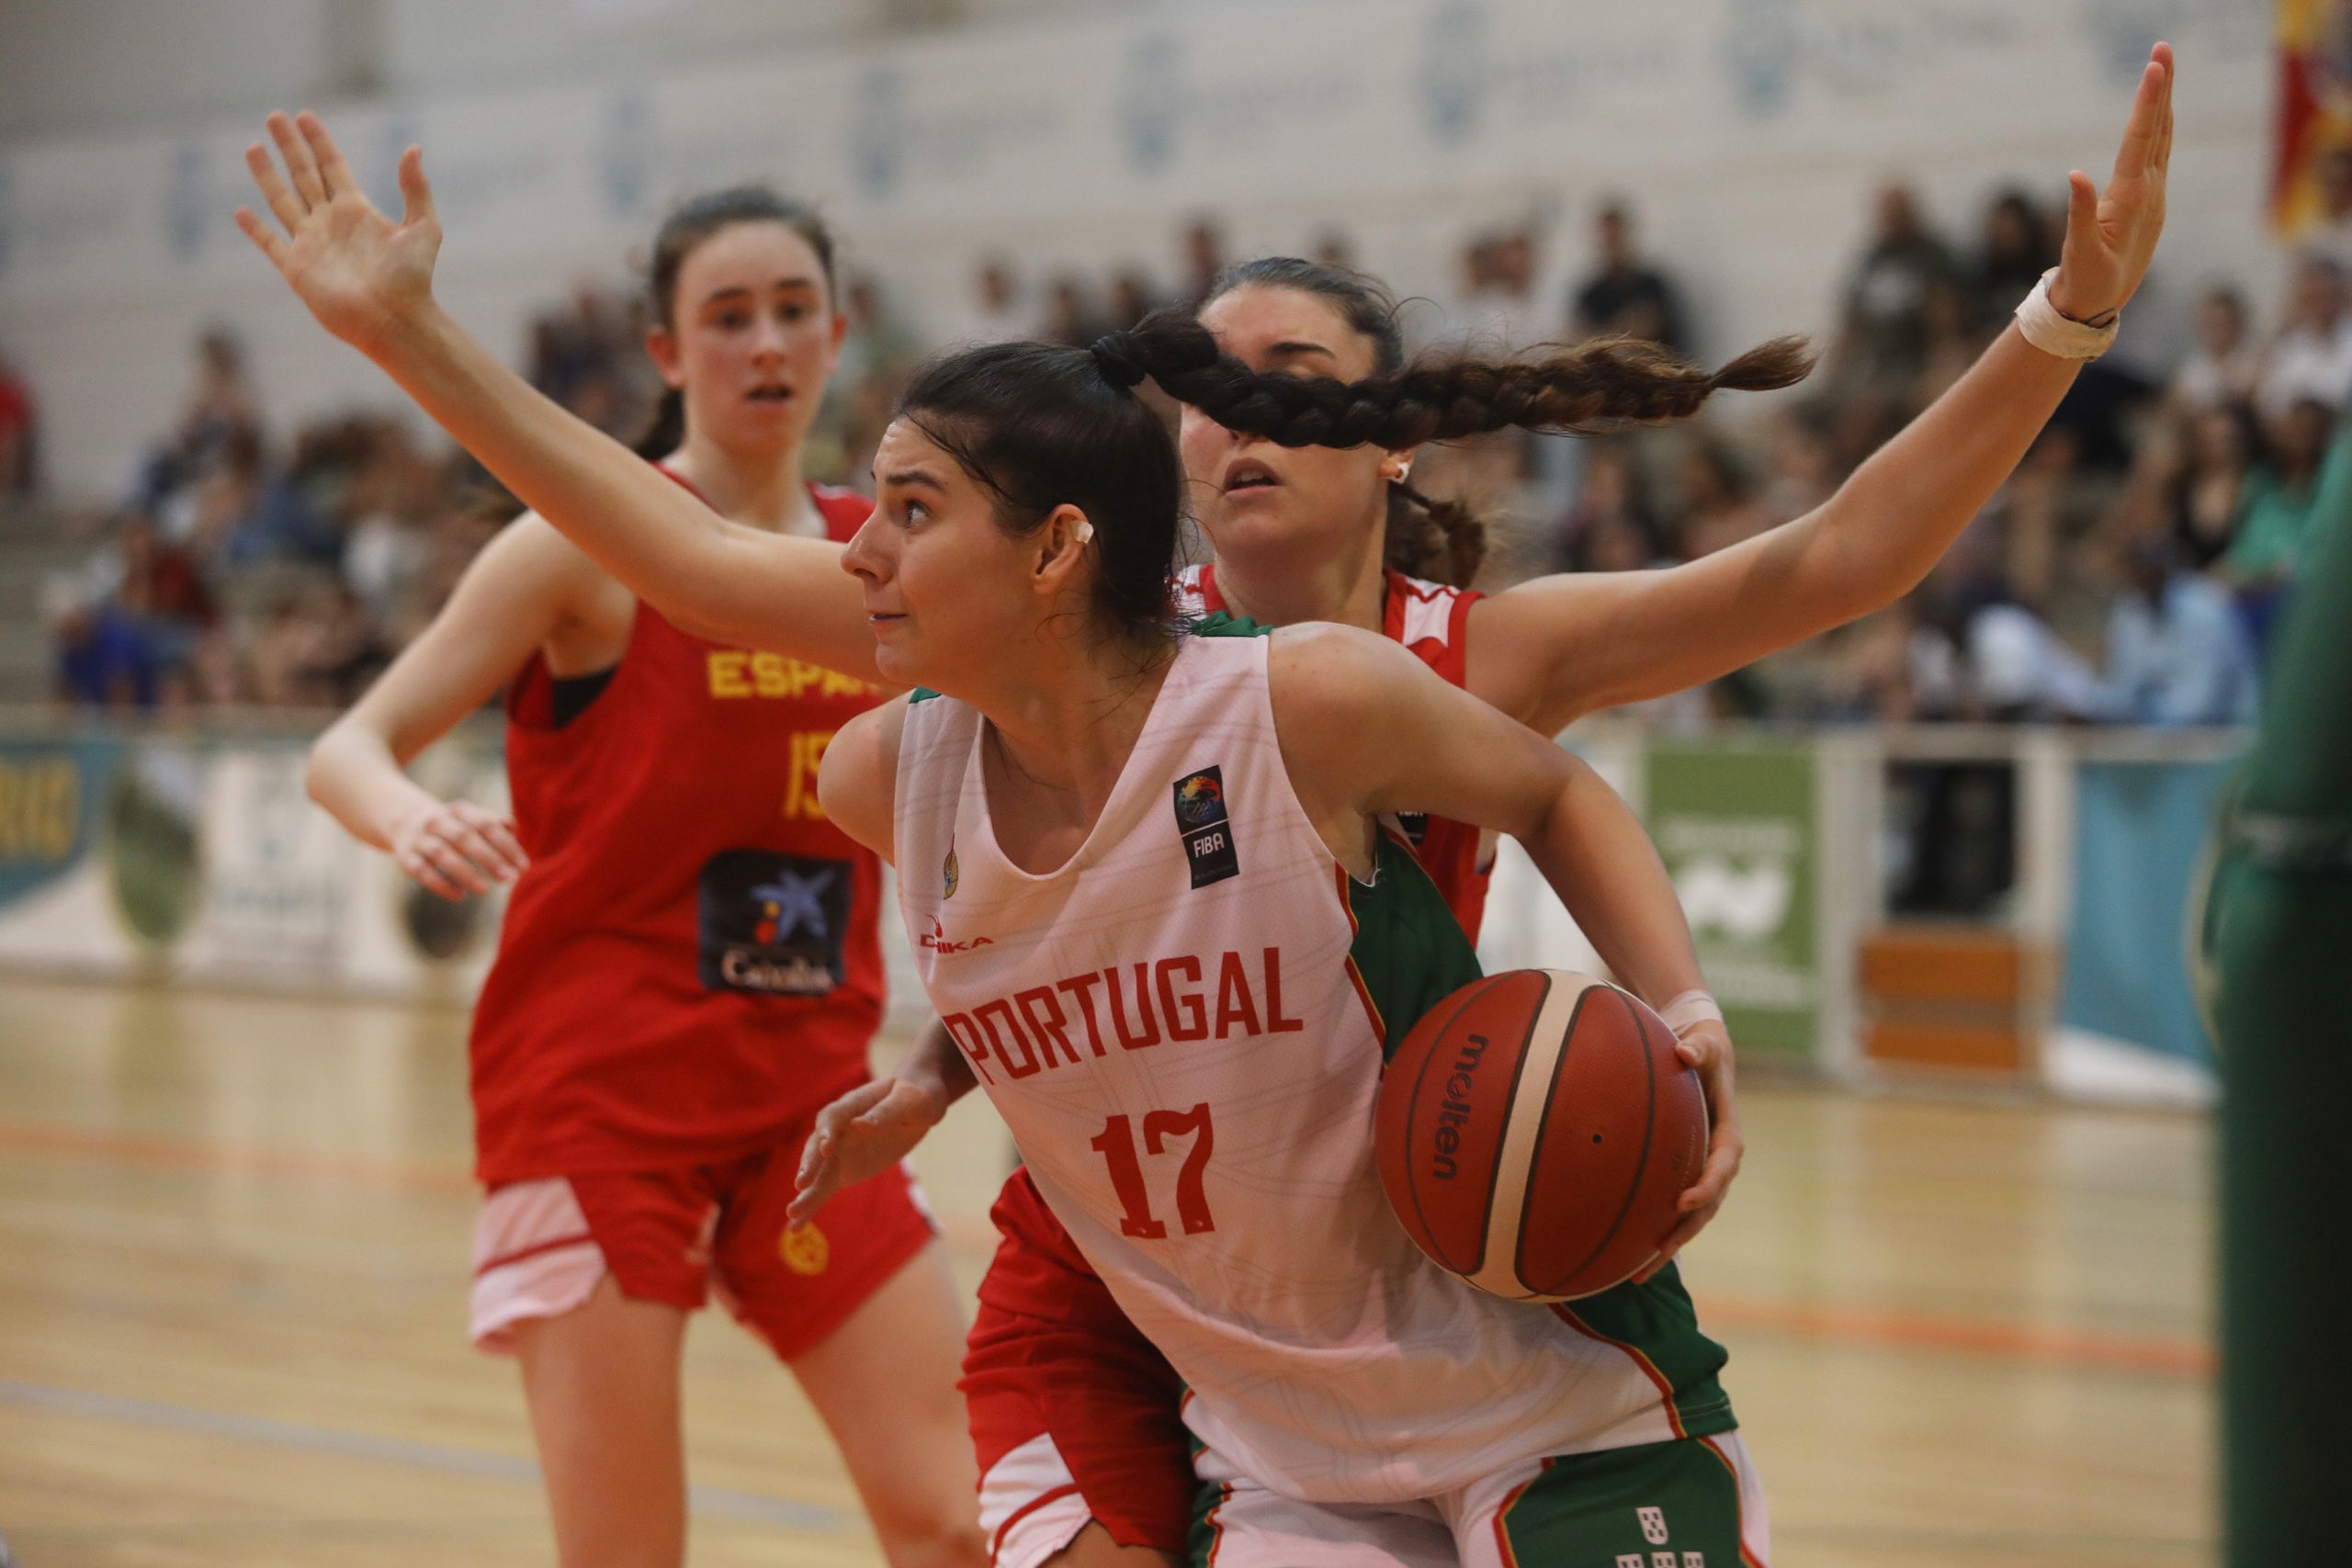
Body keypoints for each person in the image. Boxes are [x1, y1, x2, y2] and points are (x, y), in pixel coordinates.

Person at [236, 46, 2170, 1559]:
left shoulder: (1444, 657)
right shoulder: (1067, 603)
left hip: (1386, 1232)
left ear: (1376, 428)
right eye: (1206, 385)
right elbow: (714, 574)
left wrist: (2057, 329)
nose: (1239, 416)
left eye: (1295, 379)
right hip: (1119, 1251)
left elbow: (1822, 562)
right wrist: (942, 1061)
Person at [285, 176, 981, 1568]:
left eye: (794, 311)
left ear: (840, 334)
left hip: (808, 1104)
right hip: (598, 1099)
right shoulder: (576, 544)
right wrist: (405, 814)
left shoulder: (892, 561)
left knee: (963, 1522)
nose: (767, 344)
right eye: (727, 317)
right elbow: (349, 744)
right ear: (664, 352)